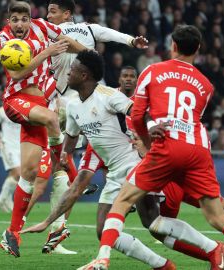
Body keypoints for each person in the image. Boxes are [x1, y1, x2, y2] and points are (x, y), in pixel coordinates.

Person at [78, 25, 224, 270]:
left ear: (173, 46)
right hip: (198, 149)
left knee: (122, 201)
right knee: (217, 215)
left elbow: (138, 116)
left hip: (166, 146)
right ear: (199, 49)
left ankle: (102, 260)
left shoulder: (152, 71)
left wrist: (149, 146)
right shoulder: (206, 85)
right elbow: (194, 118)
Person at [23, 51, 178, 270]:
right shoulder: (75, 106)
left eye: (73, 69)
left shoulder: (109, 96)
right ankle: (162, 265)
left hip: (135, 163)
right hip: (113, 169)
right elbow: (72, 135)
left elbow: (138, 112)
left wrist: (150, 129)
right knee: (104, 228)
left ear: (84, 75)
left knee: (153, 223)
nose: (68, 72)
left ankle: (210, 248)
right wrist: (66, 154)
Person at [19, 0, 150, 255]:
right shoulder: (60, 29)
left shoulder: (75, 29)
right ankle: (60, 217)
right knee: (62, 163)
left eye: (53, 11)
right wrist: (132, 41)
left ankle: (59, 217)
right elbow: (110, 34)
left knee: (61, 164)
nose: (48, 15)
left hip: (72, 101)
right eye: (47, 11)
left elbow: (109, 34)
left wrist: (132, 41)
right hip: (68, 101)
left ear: (67, 14)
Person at [0, 1, 87, 258]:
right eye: (15, 19)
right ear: (9, 21)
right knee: (53, 118)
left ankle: (11, 233)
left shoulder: (42, 27)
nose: (20, 25)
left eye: (24, 19)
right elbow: (15, 74)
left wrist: (88, 54)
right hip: (17, 100)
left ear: (30, 19)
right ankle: (67, 164)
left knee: (29, 173)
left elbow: (67, 40)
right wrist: (47, 52)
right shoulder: (4, 37)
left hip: (37, 104)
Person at [0, 106, 21, 213]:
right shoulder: (1, 111)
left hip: (22, 146)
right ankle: (2, 200)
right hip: (7, 145)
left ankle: (6, 199)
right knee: (18, 173)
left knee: (14, 175)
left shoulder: (25, 109)